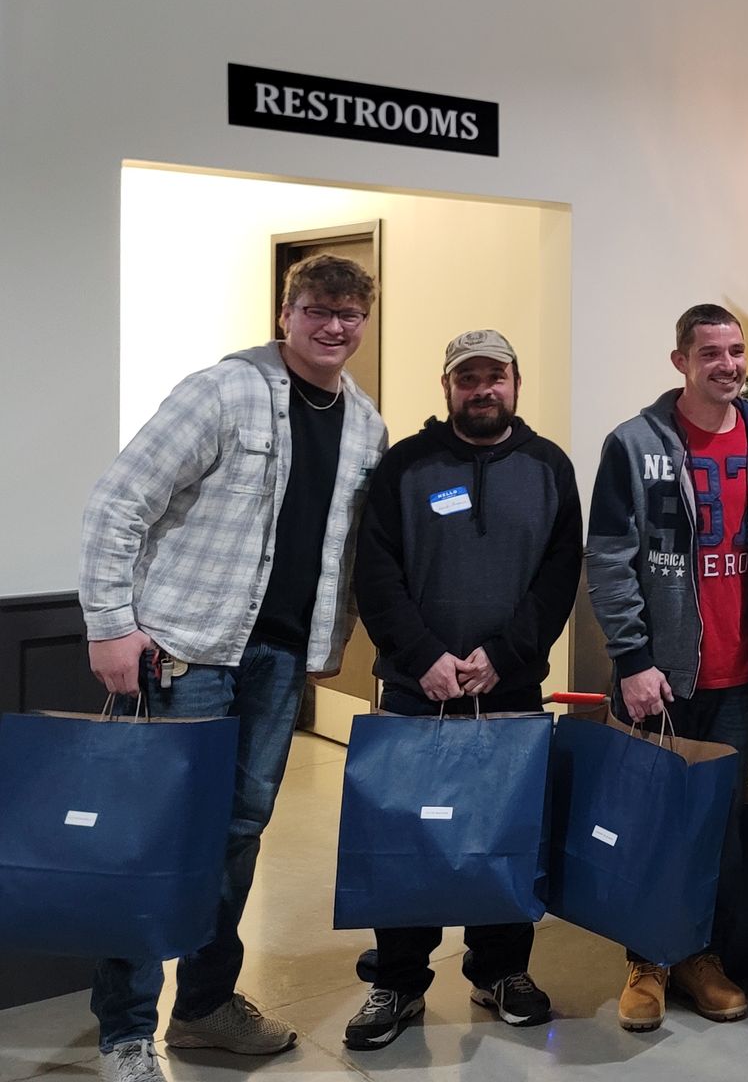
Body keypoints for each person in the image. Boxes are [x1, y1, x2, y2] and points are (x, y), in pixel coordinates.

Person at [77, 254, 387, 1082]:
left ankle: (206, 1006)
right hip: (183, 653)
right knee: (157, 837)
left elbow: (344, 550)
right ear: (286, 311)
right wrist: (110, 626)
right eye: (318, 308)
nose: (334, 326)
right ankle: (125, 1031)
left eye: (351, 314)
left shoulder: (365, 424)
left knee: (239, 838)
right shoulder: (222, 390)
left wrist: (326, 644)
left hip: (278, 662)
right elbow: (118, 502)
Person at [343, 329, 582, 1051]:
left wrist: (504, 656)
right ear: (446, 386)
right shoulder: (406, 467)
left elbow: (557, 577)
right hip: (418, 691)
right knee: (406, 836)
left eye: (496, 376)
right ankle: (399, 980)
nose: (483, 389)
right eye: (467, 377)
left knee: (503, 833)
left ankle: (501, 968)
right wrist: (423, 658)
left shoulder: (549, 467)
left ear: (516, 382)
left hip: (507, 688)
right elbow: (375, 574)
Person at [586, 303, 748, 1030]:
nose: (727, 365)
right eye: (710, 354)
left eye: (736, 351)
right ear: (681, 363)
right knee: (650, 818)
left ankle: (700, 955)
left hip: (738, 675)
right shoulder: (633, 445)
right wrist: (632, 660)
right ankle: (646, 961)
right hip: (658, 677)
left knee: (716, 827)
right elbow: (607, 558)